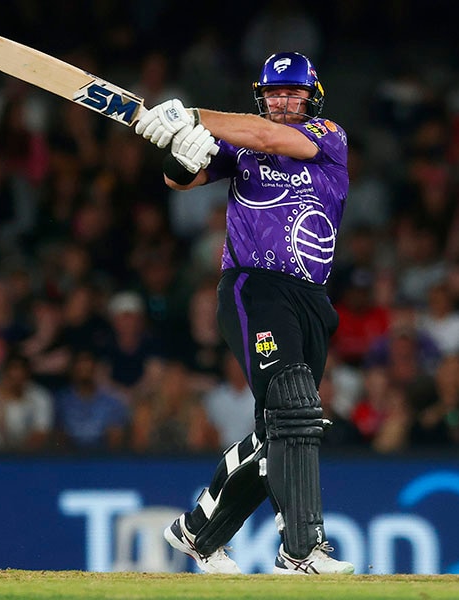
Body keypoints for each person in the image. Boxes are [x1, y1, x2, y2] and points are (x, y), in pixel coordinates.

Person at [134, 51, 353, 574]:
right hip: (254, 287)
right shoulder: (242, 147)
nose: (282, 101)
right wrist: (181, 154)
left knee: (279, 427)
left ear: (311, 96)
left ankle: (197, 533)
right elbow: (178, 181)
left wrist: (190, 115)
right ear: (262, 96)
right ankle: (302, 551)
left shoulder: (328, 136)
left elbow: (268, 138)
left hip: (311, 299)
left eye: (292, 92)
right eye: (274, 93)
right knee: (296, 408)